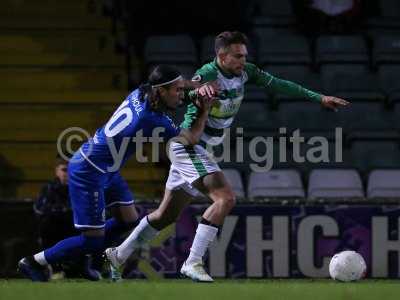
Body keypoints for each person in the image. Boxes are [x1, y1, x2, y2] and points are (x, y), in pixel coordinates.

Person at [104, 31, 349, 282]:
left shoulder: (247, 72)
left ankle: (118, 254)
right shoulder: (208, 73)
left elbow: (278, 84)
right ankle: (193, 261)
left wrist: (319, 98)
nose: (243, 60)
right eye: (238, 56)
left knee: (166, 215)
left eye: (244, 55)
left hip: (201, 149)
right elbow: (187, 92)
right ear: (221, 56)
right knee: (225, 198)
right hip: (188, 147)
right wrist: (198, 93)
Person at [18, 65, 215, 282]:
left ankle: (81, 258)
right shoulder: (150, 120)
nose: (181, 94)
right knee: (92, 240)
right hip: (88, 171)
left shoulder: (140, 93)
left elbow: (173, 87)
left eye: (181, 89)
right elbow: (190, 139)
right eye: (177, 90)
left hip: (106, 168)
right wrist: (203, 110)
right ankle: (34, 261)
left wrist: (195, 87)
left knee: (128, 220)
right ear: (160, 91)